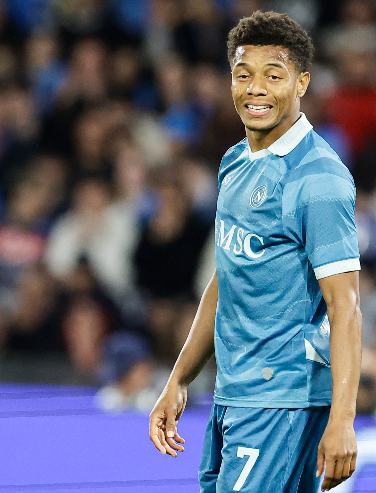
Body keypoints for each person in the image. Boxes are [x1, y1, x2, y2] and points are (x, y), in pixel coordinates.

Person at [148, 11, 362, 493]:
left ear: (302, 82)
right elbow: (228, 277)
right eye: (243, 74)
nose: (256, 88)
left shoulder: (318, 179)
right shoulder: (234, 162)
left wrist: (343, 419)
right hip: (235, 392)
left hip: (281, 398)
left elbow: (345, 305)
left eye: (273, 75)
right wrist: (179, 379)